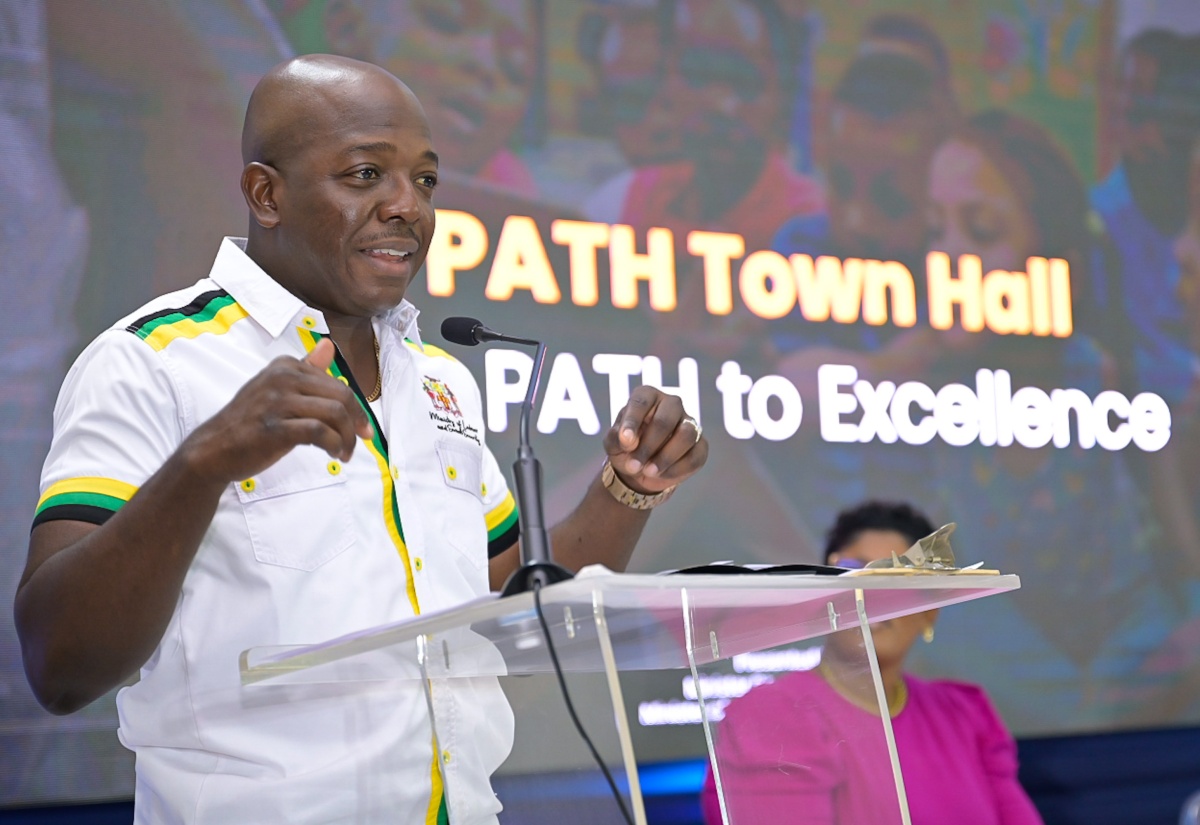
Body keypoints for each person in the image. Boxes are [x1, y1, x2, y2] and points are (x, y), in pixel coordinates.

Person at [14, 54, 708, 824]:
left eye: (426, 180)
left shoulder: (441, 382)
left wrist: (629, 487)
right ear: (265, 194)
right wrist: (206, 463)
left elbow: (517, 621)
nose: (407, 206)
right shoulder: (152, 359)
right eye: (365, 174)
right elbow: (60, 664)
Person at [700, 501, 1043, 825]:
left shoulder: (963, 714)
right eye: (853, 573)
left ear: (929, 612)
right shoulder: (772, 719)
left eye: (896, 577)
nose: (870, 595)